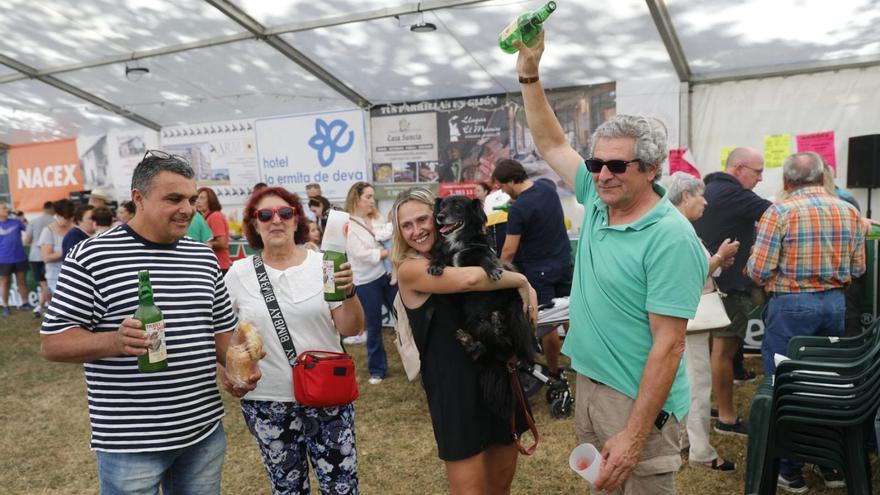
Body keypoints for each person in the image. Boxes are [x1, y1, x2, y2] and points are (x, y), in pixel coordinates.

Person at [515, 33, 708, 494]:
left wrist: (635, 434)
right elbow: (551, 142)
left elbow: (670, 346)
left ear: (651, 168)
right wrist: (529, 73)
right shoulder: (601, 199)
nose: (602, 173)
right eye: (598, 162)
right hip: (591, 383)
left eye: (618, 166)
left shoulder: (669, 237)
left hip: (637, 400)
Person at [40, 150, 245, 494]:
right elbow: (52, 342)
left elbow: (220, 329)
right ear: (139, 198)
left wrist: (239, 367)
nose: (188, 208)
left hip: (203, 432)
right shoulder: (92, 256)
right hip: (130, 444)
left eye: (192, 199)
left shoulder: (202, 256)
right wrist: (114, 342)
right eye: (174, 198)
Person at [391, 186, 538, 493]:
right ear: (399, 232)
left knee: (500, 487)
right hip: (454, 390)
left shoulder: (465, 252)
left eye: (423, 219)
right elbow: (470, 281)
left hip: (496, 375)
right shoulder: (410, 269)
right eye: (407, 225)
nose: (417, 230)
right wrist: (523, 281)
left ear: (439, 217)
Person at [224, 186, 364, 494]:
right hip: (268, 402)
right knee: (287, 489)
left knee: (341, 486)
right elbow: (222, 332)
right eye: (265, 214)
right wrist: (230, 372)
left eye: (284, 213)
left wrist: (350, 291)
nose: (276, 220)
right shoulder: (238, 274)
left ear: (296, 220)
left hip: (328, 397)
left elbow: (350, 328)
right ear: (254, 224)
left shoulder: (323, 264)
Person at [747, 151, 864, 492]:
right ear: (823, 176)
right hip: (835, 304)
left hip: (792, 306)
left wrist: (758, 272)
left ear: (786, 181)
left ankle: (790, 469)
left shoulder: (779, 211)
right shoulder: (849, 210)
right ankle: (830, 463)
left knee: (786, 387)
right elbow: (858, 269)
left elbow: (760, 270)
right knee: (825, 383)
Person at [691, 146, 771, 438]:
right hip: (726, 289)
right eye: (758, 172)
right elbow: (777, 215)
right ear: (738, 169)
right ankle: (726, 418)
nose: (761, 178)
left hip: (706, 285)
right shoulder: (736, 194)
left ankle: (708, 406)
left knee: (710, 353)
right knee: (724, 353)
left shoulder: (710, 189)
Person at [664, 172, 740, 472]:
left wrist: (718, 261)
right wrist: (719, 256)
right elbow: (692, 271)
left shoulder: (673, 225)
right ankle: (702, 451)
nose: (706, 201)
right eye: (700, 195)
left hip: (680, 316)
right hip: (688, 318)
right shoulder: (679, 228)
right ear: (685, 197)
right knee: (696, 383)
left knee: (684, 382)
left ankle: (684, 439)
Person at [493, 158, 572, 376]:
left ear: (510, 181)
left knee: (547, 324)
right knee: (569, 314)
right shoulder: (547, 186)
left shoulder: (518, 208)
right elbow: (538, 206)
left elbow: (509, 251)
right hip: (565, 262)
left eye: (501, 186)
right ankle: (580, 365)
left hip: (540, 271)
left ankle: (555, 373)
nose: (502, 191)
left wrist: (496, 272)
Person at [344, 182, 396, 381]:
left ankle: (418, 361)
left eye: (372, 197)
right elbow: (359, 254)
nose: (372, 201)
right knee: (374, 326)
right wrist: (386, 253)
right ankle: (377, 370)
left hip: (387, 275)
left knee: (404, 317)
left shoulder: (377, 217)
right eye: (368, 196)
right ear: (356, 198)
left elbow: (386, 234)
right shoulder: (347, 224)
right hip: (365, 281)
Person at [0, 202, 32, 316]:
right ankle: (5, 306)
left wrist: (23, 218)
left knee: (22, 281)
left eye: (7, 208)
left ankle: (25, 303)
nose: (7, 209)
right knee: (4, 282)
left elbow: (29, 230)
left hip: (20, 257)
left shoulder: (16, 221)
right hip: (3, 259)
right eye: (4, 208)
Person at [25, 200, 55, 317]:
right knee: (46, 284)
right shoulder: (55, 222)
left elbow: (27, 240)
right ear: (52, 209)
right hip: (51, 256)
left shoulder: (33, 221)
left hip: (36, 256)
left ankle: (44, 308)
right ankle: (45, 308)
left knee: (44, 284)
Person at [39, 199, 74, 295]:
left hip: (74, 276)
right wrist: (70, 251)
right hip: (56, 278)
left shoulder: (74, 228)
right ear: (58, 215)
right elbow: (46, 257)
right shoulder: (48, 231)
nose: (69, 220)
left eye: (71, 217)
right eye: (66, 218)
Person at [197, 187, 232, 274]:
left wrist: (204, 245)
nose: (198, 201)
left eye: (202, 198)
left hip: (219, 265)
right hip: (213, 265)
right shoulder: (204, 217)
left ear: (210, 200)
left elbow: (222, 243)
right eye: (197, 198)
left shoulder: (215, 216)